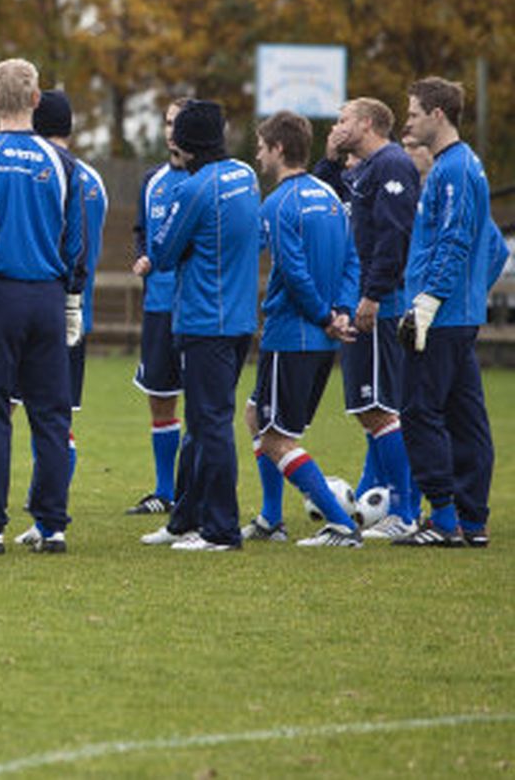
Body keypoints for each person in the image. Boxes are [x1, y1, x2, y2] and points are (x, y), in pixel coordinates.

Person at [0, 62, 86, 555]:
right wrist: (72, 300)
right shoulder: (62, 163)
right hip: (48, 297)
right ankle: (52, 524)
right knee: (51, 413)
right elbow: (77, 241)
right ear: (36, 101)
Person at [239, 111, 364, 547]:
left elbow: (292, 272)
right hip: (321, 336)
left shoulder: (277, 203)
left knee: (276, 439)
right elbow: (353, 259)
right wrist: (342, 310)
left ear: (277, 149)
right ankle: (271, 518)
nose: (257, 154)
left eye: (260, 146)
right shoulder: (329, 196)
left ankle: (343, 526)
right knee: (256, 414)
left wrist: (325, 317)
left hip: (292, 334)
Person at [142, 99, 259, 552]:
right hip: (239, 319)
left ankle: (221, 530)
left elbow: (164, 253)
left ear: (189, 144)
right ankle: (184, 519)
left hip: (204, 321)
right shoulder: (245, 175)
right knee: (200, 422)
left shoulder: (192, 190)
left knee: (210, 425)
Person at [394, 76, 505, 548]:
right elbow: (494, 248)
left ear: (438, 116)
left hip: (440, 317)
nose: (408, 121)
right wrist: (469, 294)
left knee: (418, 410)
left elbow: (457, 238)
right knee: (465, 417)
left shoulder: (454, 169)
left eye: (414, 113)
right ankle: (472, 520)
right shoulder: (461, 166)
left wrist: (429, 300)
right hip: (457, 314)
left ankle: (443, 518)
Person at [12, 89, 106, 547]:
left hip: (29, 305)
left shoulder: (39, 169)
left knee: (3, 412)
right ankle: (48, 519)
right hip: (74, 315)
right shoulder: (93, 178)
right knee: (57, 420)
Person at [326, 97, 421, 538]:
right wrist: (330, 160)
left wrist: (374, 294)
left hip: (382, 305)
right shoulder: (363, 169)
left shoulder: (392, 164)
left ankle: (405, 512)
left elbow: (394, 235)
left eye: (344, 119)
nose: (337, 125)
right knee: (370, 408)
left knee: (382, 409)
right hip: (365, 300)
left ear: (366, 124)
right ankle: (380, 497)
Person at [126, 98, 191, 515]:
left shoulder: (208, 181)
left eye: (179, 124)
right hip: (158, 306)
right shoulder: (153, 180)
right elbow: (141, 231)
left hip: (197, 309)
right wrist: (142, 256)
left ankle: (193, 491)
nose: (171, 132)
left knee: (203, 404)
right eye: (167, 123)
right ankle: (165, 491)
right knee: (160, 397)